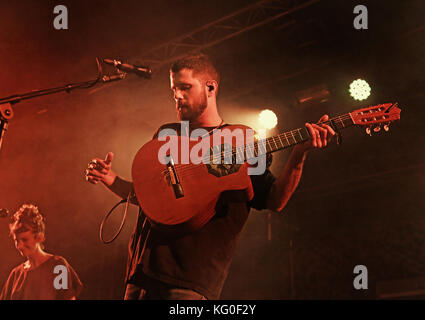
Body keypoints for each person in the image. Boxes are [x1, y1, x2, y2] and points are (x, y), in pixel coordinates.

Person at [85, 54, 335, 300]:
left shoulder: (243, 140)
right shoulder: (167, 133)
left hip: (188, 282)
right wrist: (111, 180)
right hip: (139, 274)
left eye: (185, 87)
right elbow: (153, 199)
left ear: (211, 87)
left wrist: (299, 155)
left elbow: (275, 200)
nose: (177, 96)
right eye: (174, 89)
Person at [0, 204, 83, 300]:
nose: (19, 245)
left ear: (39, 237)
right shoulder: (15, 275)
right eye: (16, 240)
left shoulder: (58, 267)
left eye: (25, 240)